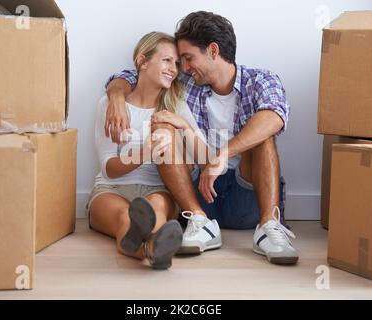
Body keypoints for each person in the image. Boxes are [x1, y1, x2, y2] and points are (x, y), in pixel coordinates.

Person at [104, 11, 298, 265]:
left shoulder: (261, 80)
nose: (182, 67)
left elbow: (275, 116)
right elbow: (136, 75)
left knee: (263, 135)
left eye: (187, 58)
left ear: (213, 51)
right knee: (165, 126)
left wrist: (222, 156)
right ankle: (200, 222)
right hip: (197, 195)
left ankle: (269, 227)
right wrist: (117, 96)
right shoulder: (187, 81)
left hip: (247, 195)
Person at [86, 31, 219, 270]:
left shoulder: (175, 105)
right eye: (167, 60)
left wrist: (184, 126)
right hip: (111, 189)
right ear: (142, 61)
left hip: (157, 189)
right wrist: (145, 152)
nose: (174, 69)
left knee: (155, 208)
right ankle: (153, 250)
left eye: (177, 63)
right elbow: (109, 169)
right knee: (125, 217)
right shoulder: (109, 105)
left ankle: (150, 247)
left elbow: (208, 160)